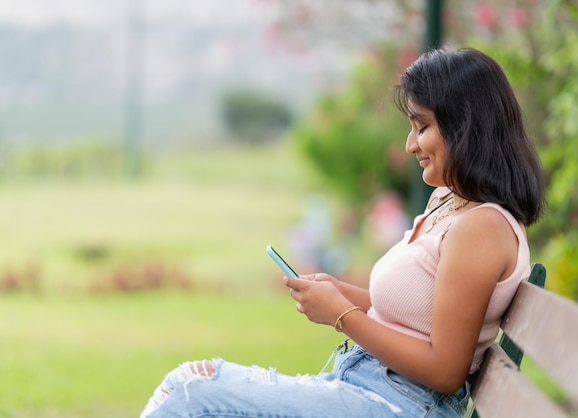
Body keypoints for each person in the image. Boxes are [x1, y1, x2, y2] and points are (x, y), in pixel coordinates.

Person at [139, 47, 545, 418]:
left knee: (189, 391)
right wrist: (337, 291)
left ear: (464, 128)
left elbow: (444, 370)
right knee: (189, 385)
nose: (409, 145)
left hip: (397, 404)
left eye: (421, 128)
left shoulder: (482, 228)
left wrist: (342, 316)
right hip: (371, 389)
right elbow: (420, 320)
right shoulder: (450, 202)